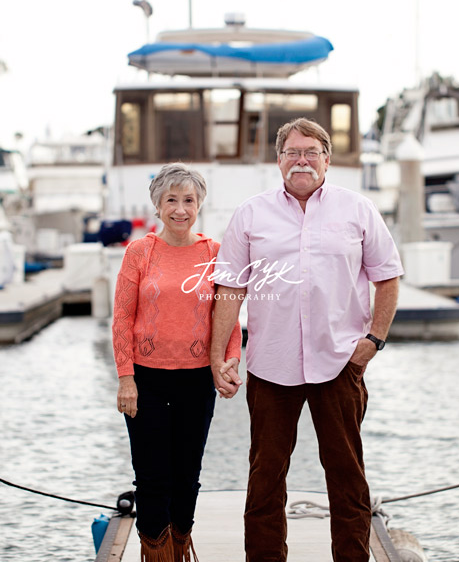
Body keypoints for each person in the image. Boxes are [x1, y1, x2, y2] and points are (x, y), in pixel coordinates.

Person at [209, 118, 403, 561]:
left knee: (347, 476)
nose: (302, 160)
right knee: (265, 479)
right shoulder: (251, 214)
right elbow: (230, 289)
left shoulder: (357, 210)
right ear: (278, 161)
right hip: (270, 365)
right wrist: (220, 355)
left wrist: (373, 341)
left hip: (339, 363)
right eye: (293, 152)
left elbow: (388, 278)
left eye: (311, 152)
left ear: (327, 160)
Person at [113, 162, 242, 560]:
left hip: (196, 379)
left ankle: (180, 546)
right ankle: (155, 552)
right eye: (172, 200)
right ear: (157, 205)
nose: (181, 209)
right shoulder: (139, 252)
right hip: (146, 381)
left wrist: (229, 362)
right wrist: (125, 379)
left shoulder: (215, 254)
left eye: (189, 200)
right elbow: (121, 318)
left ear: (200, 204)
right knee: (151, 478)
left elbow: (230, 320)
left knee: (187, 477)